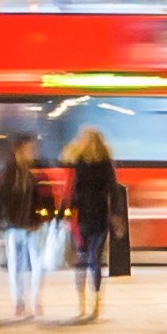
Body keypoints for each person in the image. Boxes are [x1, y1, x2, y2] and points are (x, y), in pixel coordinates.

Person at [63, 130, 125, 320]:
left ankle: (96, 302)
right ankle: (82, 304)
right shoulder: (80, 163)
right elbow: (74, 190)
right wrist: (65, 212)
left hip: (99, 218)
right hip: (82, 219)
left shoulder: (105, 165)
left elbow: (113, 191)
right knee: (82, 261)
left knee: (94, 258)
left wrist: (115, 215)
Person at [0, 135, 52, 320]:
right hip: (13, 227)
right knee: (16, 267)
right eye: (29, 148)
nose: (33, 152)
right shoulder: (9, 173)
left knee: (38, 265)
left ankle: (35, 301)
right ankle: (18, 301)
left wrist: (45, 217)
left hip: (33, 226)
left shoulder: (37, 171)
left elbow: (47, 198)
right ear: (19, 150)